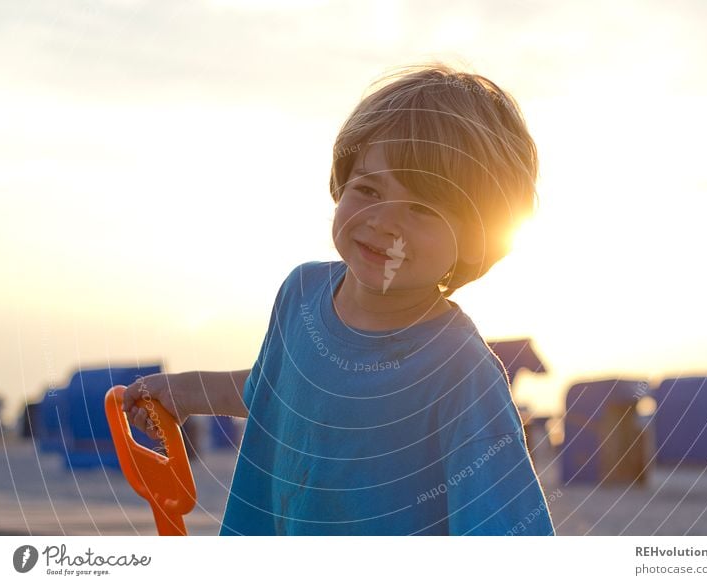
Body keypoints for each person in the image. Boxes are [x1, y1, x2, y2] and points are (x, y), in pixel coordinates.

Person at [123, 62, 555, 536]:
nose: (382, 221)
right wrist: (184, 392)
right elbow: (279, 388)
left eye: (423, 207)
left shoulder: (460, 373)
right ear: (340, 185)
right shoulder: (300, 294)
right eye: (368, 188)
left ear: (477, 238)